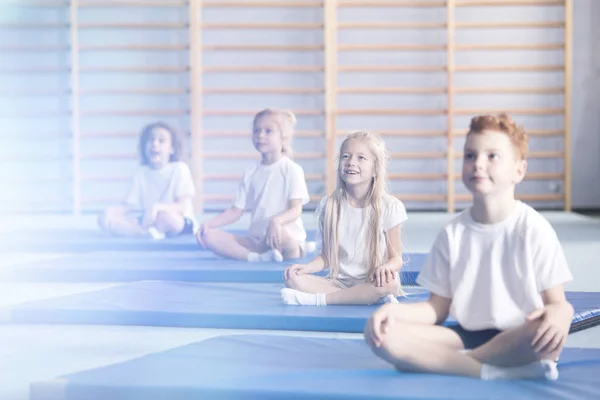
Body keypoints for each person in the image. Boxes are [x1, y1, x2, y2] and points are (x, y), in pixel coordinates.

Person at [364, 114, 574, 381]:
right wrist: (393, 312)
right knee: (384, 337)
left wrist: (560, 314)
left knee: (544, 332)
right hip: (462, 336)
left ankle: (448, 364)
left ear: (519, 171)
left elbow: (558, 304)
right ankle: (494, 371)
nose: (478, 164)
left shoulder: (533, 228)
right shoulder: (452, 234)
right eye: (470, 156)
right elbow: (436, 310)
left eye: (492, 156)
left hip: (519, 335)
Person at [281, 131, 408, 306]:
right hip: (338, 283)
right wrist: (307, 267)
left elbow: (396, 259)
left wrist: (386, 268)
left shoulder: (390, 206)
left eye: (361, 158)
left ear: (375, 169)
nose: (351, 163)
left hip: (373, 281)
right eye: (346, 156)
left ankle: (320, 300)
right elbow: (327, 257)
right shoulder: (330, 204)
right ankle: (361, 297)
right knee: (293, 279)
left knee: (389, 284)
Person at [197, 108, 314, 262]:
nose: (260, 135)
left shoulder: (292, 169)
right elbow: (235, 212)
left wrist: (276, 222)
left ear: (283, 138)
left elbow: (296, 209)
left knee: (287, 240)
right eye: (257, 130)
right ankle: (256, 258)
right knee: (208, 236)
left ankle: (297, 248)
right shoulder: (251, 172)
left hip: (283, 235)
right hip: (257, 242)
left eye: (268, 131)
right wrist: (208, 224)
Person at [98, 122, 196, 240]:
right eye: (151, 140)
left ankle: (144, 232)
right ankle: (146, 233)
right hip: (149, 220)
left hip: (177, 220)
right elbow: (128, 207)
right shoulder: (141, 172)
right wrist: (109, 213)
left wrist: (157, 207)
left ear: (172, 149)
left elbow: (182, 206)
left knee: (164, 217)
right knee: (106, 219)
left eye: (161, 141)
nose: (155, 144)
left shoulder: (180, 168)